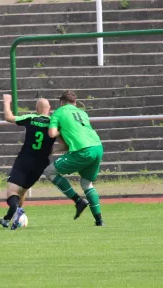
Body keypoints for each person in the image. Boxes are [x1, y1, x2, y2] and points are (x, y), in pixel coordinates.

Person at [0, 95, 57, 229]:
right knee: (22, 192)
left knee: (12, 191)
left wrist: (7, 102)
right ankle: (8, 219)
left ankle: (17, 211)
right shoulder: (54, 122)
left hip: (25, 159)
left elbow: (9, 117)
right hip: (41, 163)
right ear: (50, 109)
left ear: (36, 108)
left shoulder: (31, 118)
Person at [44, 90, 104, 226]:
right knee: (86, 183)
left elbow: (52, 133)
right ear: (75, 102)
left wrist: (62, 128)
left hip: (82, 151)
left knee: (49, 172)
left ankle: (78, 201)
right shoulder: (83, 113)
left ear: (61, 102)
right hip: (97, 147)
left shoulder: (59, 112)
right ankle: (99, 221)